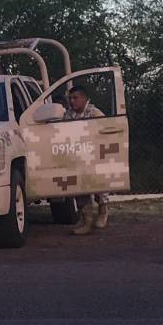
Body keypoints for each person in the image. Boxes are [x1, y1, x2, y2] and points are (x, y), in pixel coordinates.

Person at [63, 85, 109, 235]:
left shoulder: (95, 113)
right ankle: (86, 221)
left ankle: (103, 212)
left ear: (84, 98)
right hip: (77, 157)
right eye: (70, 98)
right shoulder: (67, 115)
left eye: (75, 97)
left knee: (99, 187)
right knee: (79, 188)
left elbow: (105, 132)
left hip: (94, 156)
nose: (72, 101)